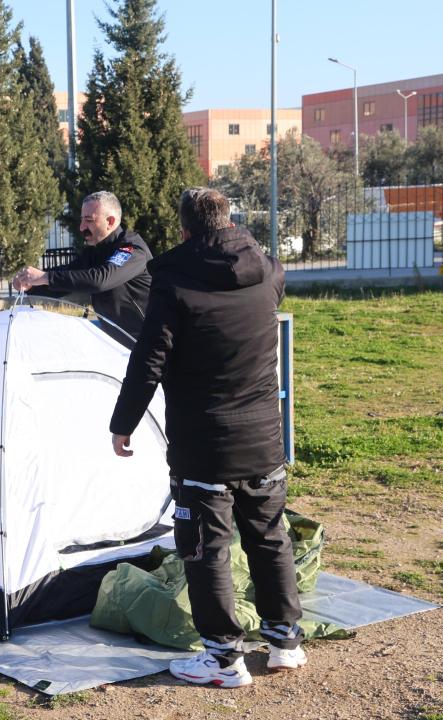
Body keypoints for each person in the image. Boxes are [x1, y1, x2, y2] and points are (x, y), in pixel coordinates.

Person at [108, 188, 304, 688]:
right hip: (264, 436)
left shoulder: (172, 281)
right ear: (229, 218)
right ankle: (285, 643)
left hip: (204, 443)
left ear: (184, 229)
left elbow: (149, 359)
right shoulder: (270, 272)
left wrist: (123, 422)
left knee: (205, 548)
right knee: (269, 538)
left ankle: (222, 659)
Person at [10, 191, 152, 346]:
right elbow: (68, 277)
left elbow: (101, 280)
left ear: (110, 221)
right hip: (121, 345)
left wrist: (45, 278)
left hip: (153, 344)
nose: (82, 227)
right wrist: (31, 285)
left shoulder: (131, 249)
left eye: (89, 220)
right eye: (82, 220)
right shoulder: (94, 251)